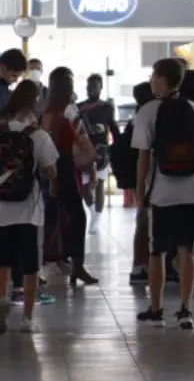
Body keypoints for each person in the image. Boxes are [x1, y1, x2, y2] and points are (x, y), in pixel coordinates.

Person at [132, 58, 194, 329]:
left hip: (161, 193)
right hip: (193, 192)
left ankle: (156, 308)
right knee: (187, 250)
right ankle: (185, 309)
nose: (151, 81)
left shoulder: (148, 111)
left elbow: (143, 158)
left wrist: (139, 191)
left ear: (164, 80)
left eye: (153, 77)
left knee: (156, 250)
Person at [0, 80, 58, 334]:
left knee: (2, 263)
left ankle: (1, 304)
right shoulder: (38, 135)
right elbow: (51, 170)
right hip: (29, 211)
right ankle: (27, 318)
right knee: (31, 266)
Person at [41, 71, 98, 287]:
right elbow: (54, 147)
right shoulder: (58, 114)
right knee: (66, 217)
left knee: (58, 217)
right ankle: (72, 265)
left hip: (59, 169)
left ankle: (72, 264)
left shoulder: (54, 112)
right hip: (60, 169)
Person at [109, 81, 158, 285]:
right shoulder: (148, 116)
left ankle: (141, 266)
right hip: (147, 177)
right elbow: (143, 154)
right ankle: (141, 266)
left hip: (141, 177)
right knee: (146, 222)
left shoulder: (138, 117)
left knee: (144, 221)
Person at [77, 73, 118, 231]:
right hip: (84, 149)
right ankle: (92, 211)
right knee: (86, 184)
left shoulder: (107, 107)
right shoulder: (80, 106)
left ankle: (97, 217)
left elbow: (112, 127)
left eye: (95, 85)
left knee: (100, 183)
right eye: (89, 85)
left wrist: (115, 144)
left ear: (101, 87)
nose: (91, 89)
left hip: (101, 149)